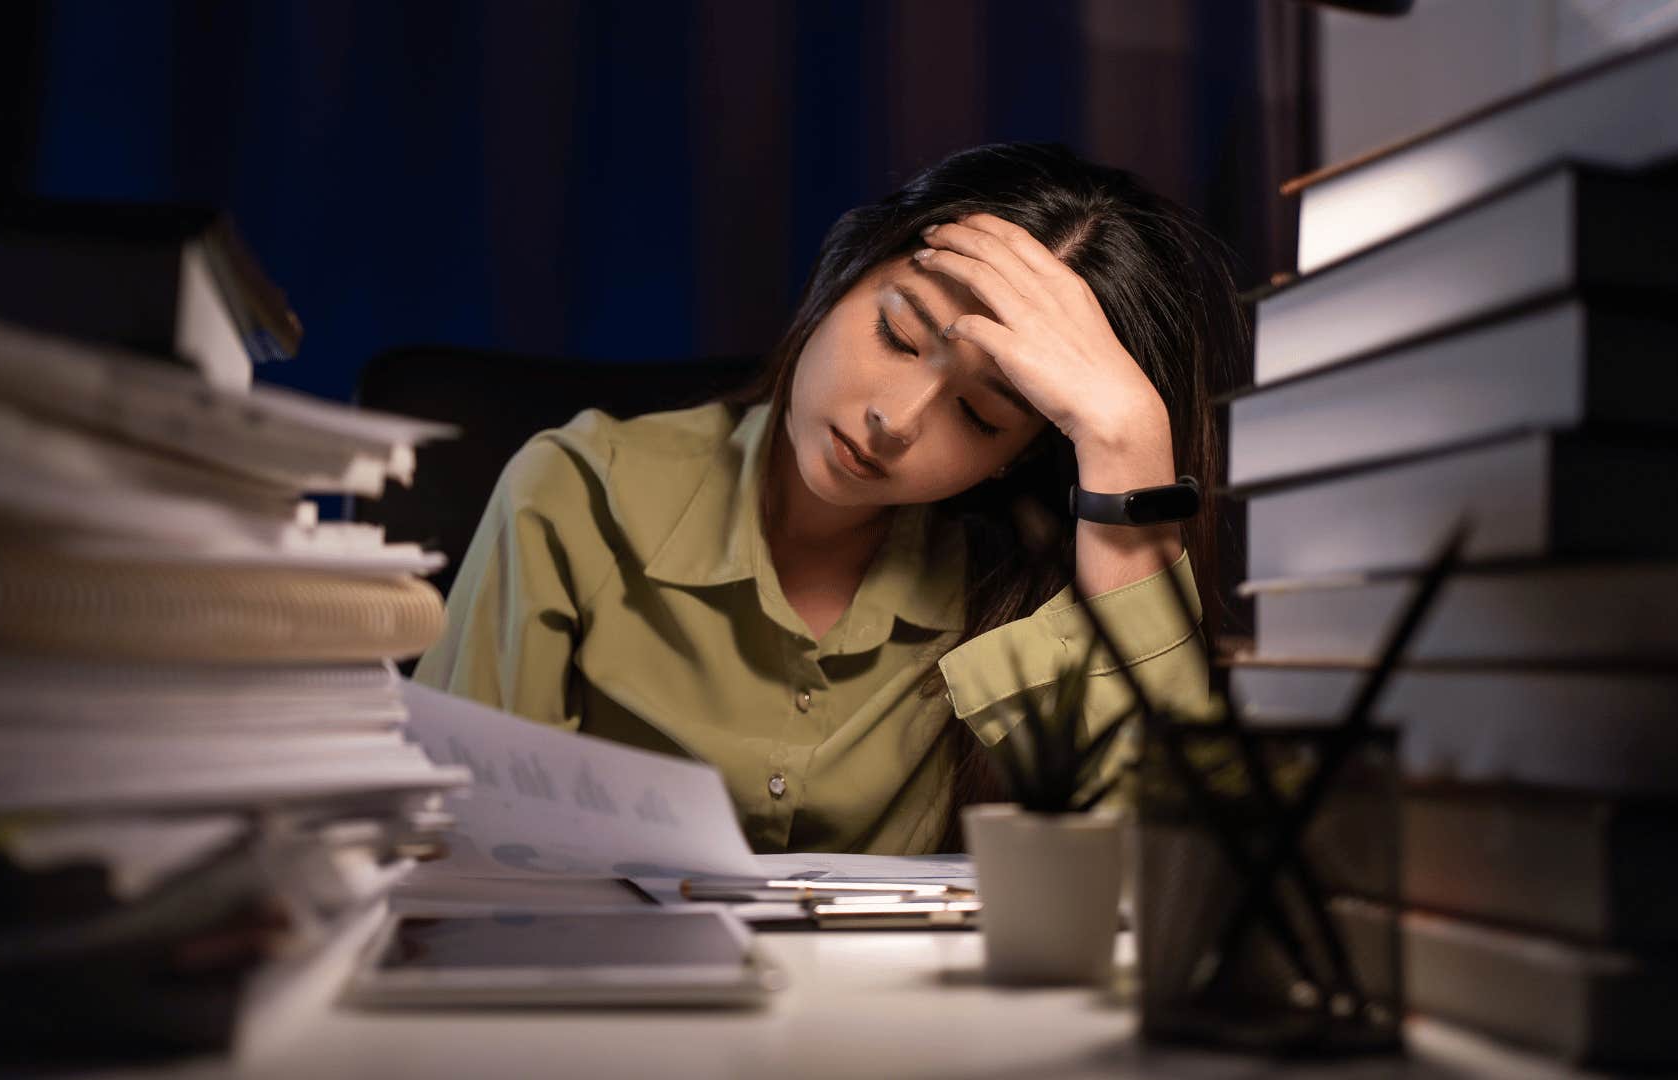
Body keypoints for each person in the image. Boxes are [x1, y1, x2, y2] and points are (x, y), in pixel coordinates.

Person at [415, 142, 1245, 855]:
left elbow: (1153, 869)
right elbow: (454, 845)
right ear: (844, 273)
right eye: (898, 333)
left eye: (978, 415)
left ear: (1015, 457)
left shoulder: (1019, 580)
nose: (893, 419)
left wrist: (1127, 441)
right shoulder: (573, 491)